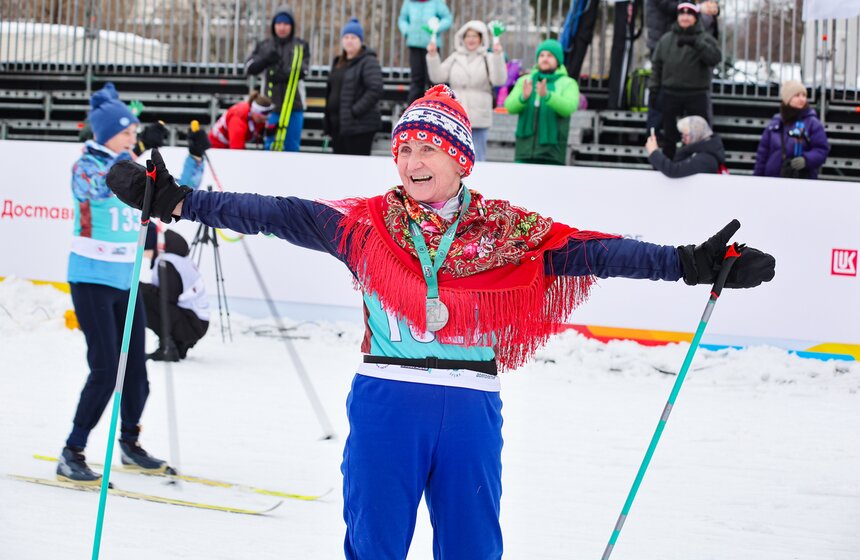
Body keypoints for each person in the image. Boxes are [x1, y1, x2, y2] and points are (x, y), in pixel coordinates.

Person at [107, 84, 775, 559]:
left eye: (429, 148)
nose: (413, 161)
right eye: (404, 149)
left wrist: (690, 263)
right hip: (386, 400)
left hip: (470, 407)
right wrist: (181, 200)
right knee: (373, 547)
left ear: (461, 158)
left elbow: (600, 252)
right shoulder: (363, 225)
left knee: (472, 550)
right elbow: (275, 212)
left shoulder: (511, 234)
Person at [58, 83, 168, 486]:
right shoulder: (86, 165)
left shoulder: (129, 162)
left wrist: (188, 155)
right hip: (91, 279)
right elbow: (96, 188)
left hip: (126, 281)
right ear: (107, 135)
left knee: (136, 369)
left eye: (135, 133)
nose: (133, 138)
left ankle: (130, 443)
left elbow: (165, 194)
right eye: (127, 132)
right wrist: (134, 161)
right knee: (105, 369)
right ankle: (72, 450)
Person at [426, 20, 506, 162]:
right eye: (468, 36)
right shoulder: (455, 57)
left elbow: (499, 80)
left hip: (479, 115)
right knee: (455, 156)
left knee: (478, 156)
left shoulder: (489, 57)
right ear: (462, 38)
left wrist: (498, 55)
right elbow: (437, 76)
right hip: (457, 115)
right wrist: (433, 56)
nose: (471, 39)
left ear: (481, 39)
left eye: (475, 36)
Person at [649, 2, 721, 159]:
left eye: (689, 14)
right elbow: (657, 66)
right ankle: (668, 165)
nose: (685, 17)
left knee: (700, 135)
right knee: (670, 135)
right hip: (671, 93)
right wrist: (654, 90)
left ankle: (701, 165)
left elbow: (715, 58)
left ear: (695, 18)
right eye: (682, 14)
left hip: (696, 94)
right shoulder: (666, 39)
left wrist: (697, 44)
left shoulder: (704, 38)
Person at [504, 39, 581, 166]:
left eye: (550, 56)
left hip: (552, 154)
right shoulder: (526, 80)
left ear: (558, 60)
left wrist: (548, 95)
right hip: (524, 151)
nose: (545, 59)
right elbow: (509, 107)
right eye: (542, 55)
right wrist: (523, 97)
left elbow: (569, 107)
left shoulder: (568, 83)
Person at [245, 5, 309, 152]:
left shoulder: (300, 45)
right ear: (273, 25)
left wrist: (284, 74)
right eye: (279, 23)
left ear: (292, 26)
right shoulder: (265, 46)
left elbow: (305, 69)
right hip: (269, 107)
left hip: (294, 105)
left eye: (286, 24)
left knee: (292, 147)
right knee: (270, 146)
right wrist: (265, 60)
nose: (282, 27)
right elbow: (249, 67)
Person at [139, 229, 209, 361]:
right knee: (143, 293)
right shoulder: (177, 256)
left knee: (139, 296)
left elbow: (167, 297)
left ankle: (168, 347)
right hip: (195, 321)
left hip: (191, 324)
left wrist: (140, 287)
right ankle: (177, 344)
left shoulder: (166, 262)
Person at [323, 18, 384, 156]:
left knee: (356, 171)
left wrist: (354, 111)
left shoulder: (368, 61)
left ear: (360, 40)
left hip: (359, 128)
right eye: (346, 37)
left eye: (353, 37)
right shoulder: (338, 62)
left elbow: (375, 89)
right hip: (338, 127)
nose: (349, 40)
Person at [753, 80, 830, 180]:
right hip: (772, 181)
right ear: (787, 99)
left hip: (802, 181)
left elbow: (821, 150)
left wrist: (806, 160)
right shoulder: (775, 124)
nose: (802, 99)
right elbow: (762, 155)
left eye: (804, 95)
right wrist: (756, 180)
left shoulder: (813, 123)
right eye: (797, 95)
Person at [398, 0, 453, 104]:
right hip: (414, 45)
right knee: (416, 79)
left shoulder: (437, 2)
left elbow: (447, 18)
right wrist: (407, 30)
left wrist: (436, 27)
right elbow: (402, 19)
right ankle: (413, 108)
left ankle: (433, 106)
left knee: (432, 79)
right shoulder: (409, 2)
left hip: (431, 46)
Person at [646, 115, 726, 177]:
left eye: (686, 135)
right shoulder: (700, 152)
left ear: (697, 133)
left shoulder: (706, 159)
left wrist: (654, 152)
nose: (683, 139)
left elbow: (674, 171)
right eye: (682, 135)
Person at [208, 91, 274, 150]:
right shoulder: (238, 120)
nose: (266, 117)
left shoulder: (256, 117)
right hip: (217, 148)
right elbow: (237, 151)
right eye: (264, 114)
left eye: (269, 113)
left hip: (229, 144)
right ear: (255, 111)